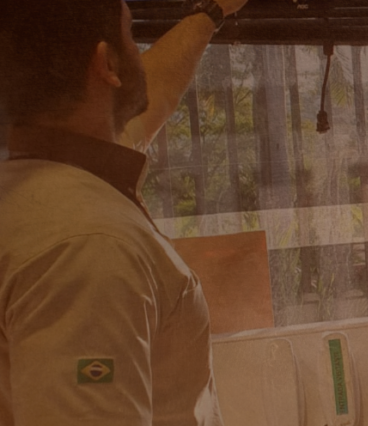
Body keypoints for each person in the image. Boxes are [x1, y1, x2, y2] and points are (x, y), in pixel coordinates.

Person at [0, 0, 246, 424]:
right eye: (131, 35)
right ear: (108, 64)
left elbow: (158, 93)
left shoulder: (35, 188)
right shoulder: (88, 246)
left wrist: (212, 11)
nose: (140, 53)